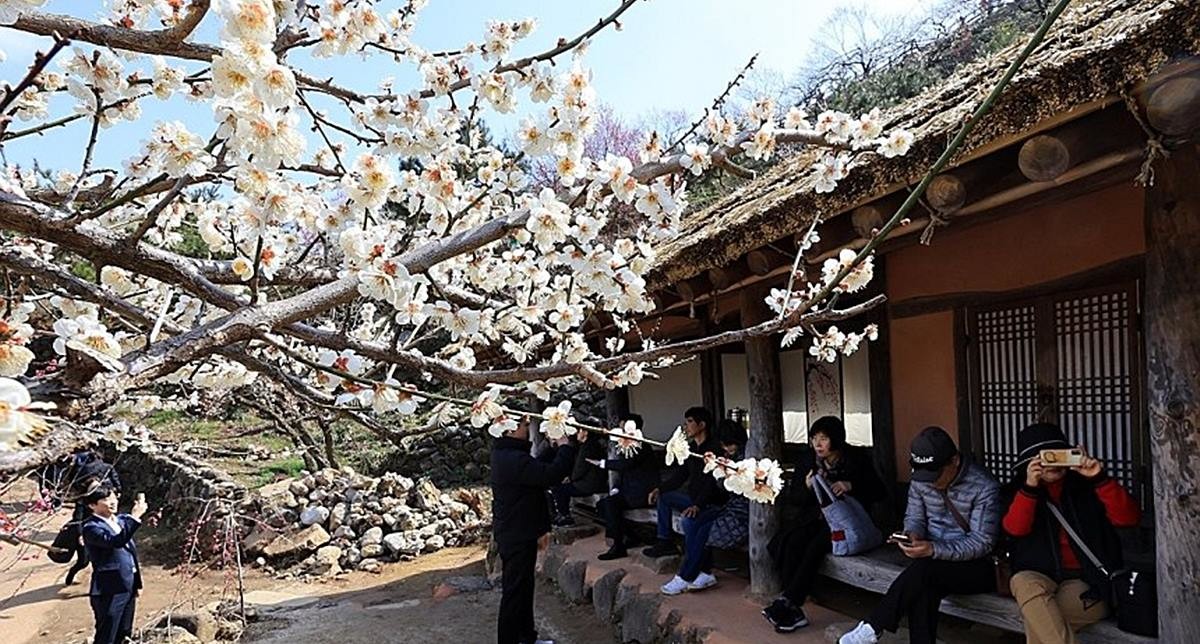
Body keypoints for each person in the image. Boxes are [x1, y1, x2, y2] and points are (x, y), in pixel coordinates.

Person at [839, 426, 1001, 644]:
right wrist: (912, 535)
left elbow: (982, 542)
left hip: (977, 565)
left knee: (925, 572)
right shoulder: (921, 479)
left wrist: (933, 549)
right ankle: (873, 628)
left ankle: (874, 625)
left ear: (954, 461)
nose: (931, 481)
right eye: (924, 475)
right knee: (924, 586)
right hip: (932, 564)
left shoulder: (984, 487)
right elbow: (914, 517)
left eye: (936, 474)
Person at [1002, 423, 1140, 644]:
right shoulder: (1017, 490)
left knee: (1040, 622)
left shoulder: (1087, 486)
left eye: (1059, 454)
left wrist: (1098, 478)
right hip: (1037, 576)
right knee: (1023, 582)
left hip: (1086, 581)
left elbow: (1128, 518)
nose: (1054, 463)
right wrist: (1030, 487)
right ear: (1030, 462)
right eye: (1046, 457)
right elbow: (1015, 529)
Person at [765, 416, 885, 633]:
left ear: (836, 440)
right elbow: (796, 499)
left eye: (824, 439)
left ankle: (789, 601)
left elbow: (879, 491)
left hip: (848, 523)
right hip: (816, 518)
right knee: (792, 542)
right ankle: (793, 608)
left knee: (815, 547)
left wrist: (851, 485)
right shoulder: (808, 460)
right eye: (814, 439)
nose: (818, 444)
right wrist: (807, 486)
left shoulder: (855, 458)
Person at [491, 414, 580, 644]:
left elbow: (535, 468)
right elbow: (549, 475)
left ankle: (526, 638)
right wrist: (565, 447)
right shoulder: (511, 458)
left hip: (517, 531)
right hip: (517, 533)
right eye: (522, 425)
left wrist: (553, 447)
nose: (527, 428)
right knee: (515, 593)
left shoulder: (507, 454)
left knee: (523, 589)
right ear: (509, 430)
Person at [643, 407, 727, 595]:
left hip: (711, 502)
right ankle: (664, 541)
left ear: (702, 424)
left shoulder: (714, 450)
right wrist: (660, 488)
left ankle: (693, 572)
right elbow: (681, 475)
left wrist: (697, 505)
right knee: (664, 498)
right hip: (693, 499)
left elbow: (711, 483)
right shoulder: (691, 449)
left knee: (689, 522)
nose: (686, 426)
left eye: (689, 421)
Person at [80, 483, 147, 644]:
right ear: (92, 505)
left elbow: (130, 553)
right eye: (105, 499)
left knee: (125, 632)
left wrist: (137, 583)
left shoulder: (121, 520)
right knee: (107, 633)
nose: (112, 501)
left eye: (112, 497)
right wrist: (135, 517)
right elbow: (115, 541)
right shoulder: (91, 527)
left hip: (127, 584)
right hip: (109, 588)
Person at [590, 413, 661, 561]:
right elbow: (624, 471)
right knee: (602, 505)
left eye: (623, 428)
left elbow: (626, 465)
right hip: (629, 491)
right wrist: (616, 488)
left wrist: (602, 463)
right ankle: (631, 535)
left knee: (610, 505)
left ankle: (618, 545)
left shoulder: (640, 445)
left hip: (642, 492)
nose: (621, 431)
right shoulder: (628, 445)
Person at [704, 420, 751, 558]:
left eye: (729, 444)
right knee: (696, 527)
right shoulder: (729, 457)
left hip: (744, 514)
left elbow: (736, 489)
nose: (726, 448)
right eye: (723, 445)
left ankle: (696, 573)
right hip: (731, 509)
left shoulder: (747, 459)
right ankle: (698, 572)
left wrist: (724, 476)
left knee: (703, 533)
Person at [548, 424, 609, 526]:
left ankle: (565, 515)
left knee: (559, 489)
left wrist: (570, 478)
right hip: (590, 481)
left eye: (579, 431)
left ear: (585, 432)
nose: (577, 433)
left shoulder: (588, 447)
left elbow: (579, 469)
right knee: (560, 488)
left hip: (589, 484)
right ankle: (563, 514)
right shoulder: (590, 445)